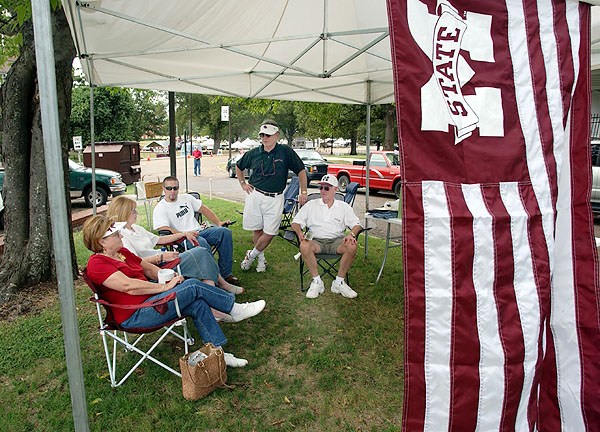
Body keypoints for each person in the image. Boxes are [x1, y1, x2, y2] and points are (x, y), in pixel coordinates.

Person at [82, 215, 266, 367]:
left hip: (153, 302)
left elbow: (148, 269)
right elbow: (128, 287)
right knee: (193, 286)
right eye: (116, 234)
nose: (121, 237)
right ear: (101, 242)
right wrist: (164, 287)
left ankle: (219, 353)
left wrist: (168, 278)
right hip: (136, 314)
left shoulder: (122, 253)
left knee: (197, 303)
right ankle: (233, 308)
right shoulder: (97, 263)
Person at [107, 195, 242, 294]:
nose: (137, 213)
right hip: (160, 267)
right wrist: (160, 258)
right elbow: (134, 262)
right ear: (123, 213)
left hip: (165, 258)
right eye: (133, 211)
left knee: (203, 252)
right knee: (201, 252)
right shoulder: (121, 236)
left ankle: (215, 294)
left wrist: (183, 234)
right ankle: (221, 287)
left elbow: (159, 240)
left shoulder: (136, 228)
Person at [235, 119, 308, 273]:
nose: (265, 138)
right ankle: (261, 259)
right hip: (255, 195)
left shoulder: (285, 151)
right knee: (257, 229)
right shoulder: (254, 153)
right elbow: (239, 166)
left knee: (270, 233)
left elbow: (301, 170)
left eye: (268, 135)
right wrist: (242, 183)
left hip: (275, 198)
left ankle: (252, 255)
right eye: (262, 135)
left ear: (276, 135)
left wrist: (303, 191)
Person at [153, 176, 240, 286]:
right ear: (163, 188)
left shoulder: (186, 198)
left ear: (179, 188)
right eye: (169, 188)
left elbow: (203, 209)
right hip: (182, 238)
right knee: (201, 242)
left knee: (224, 232)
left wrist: (218, 223)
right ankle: (215, 277)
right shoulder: (160, 208)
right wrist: (184, 234)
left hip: (199, 231)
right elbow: (163, 228)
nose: (172, 191)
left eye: (175, 188)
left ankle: (226, 274)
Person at [291, 174, 362, 299]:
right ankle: (317, 282)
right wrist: (299, 232)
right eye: (321, 188)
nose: (323, 191)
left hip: (337, 241)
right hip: (316, 241)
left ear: (335, 189)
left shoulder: (343, 207)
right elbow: (295, 222)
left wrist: (352, 234)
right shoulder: (311, 205)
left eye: (327, 188)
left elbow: (357, 225)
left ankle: (339, 282)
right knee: (304, 245)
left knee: (351, 245)